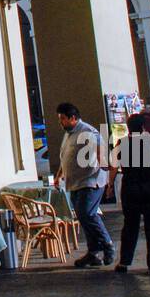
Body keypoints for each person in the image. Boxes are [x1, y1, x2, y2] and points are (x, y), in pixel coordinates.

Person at [53, 102, 114, 267]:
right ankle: (93, 252)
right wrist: (59, 176)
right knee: (82, 215)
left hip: (90, 180)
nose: (60, 122)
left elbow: (100, 150)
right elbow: (65, 157)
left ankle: (107, 244)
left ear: (73, 118)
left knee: (87, 213)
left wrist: (105, 168)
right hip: (75, 182)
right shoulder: (69, 134)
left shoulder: (87, 131)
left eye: (63, 119)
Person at [106, 113, 150, 275]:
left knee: (130, 225)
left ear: (128, 127)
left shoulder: (122, 143)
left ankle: (124, 262)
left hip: (130, 188)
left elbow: (113, 166)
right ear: (143, 127)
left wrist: (110, 185)